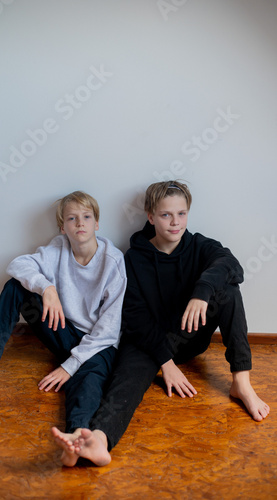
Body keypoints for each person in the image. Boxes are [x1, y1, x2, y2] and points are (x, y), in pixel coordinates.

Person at [54, 180, 270, 467]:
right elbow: (134, 316)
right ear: (151, 216)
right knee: (125, 383)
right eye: (166, 215)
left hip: (188, 334)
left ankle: (241, 383)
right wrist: (165, 363)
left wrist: (202, 292)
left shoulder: (200, 246)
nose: (175, 222)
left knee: (229, 291)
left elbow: (232, 266)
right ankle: (99, 440)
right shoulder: (133, 258)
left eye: (181, 214)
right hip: (145, 341)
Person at [0, 190, 127, 466]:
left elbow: (109, 331)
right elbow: (17, 265)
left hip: (97, 344)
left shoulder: (113, 261)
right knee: (15, 286)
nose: (80, 223)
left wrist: (70, 365)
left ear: (97, 224)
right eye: (72, 218)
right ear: (62, 227)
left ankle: (76, 438)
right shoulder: (58, 248)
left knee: (86, 378)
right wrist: (48, 288)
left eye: (87, 217)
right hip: (63, 330)